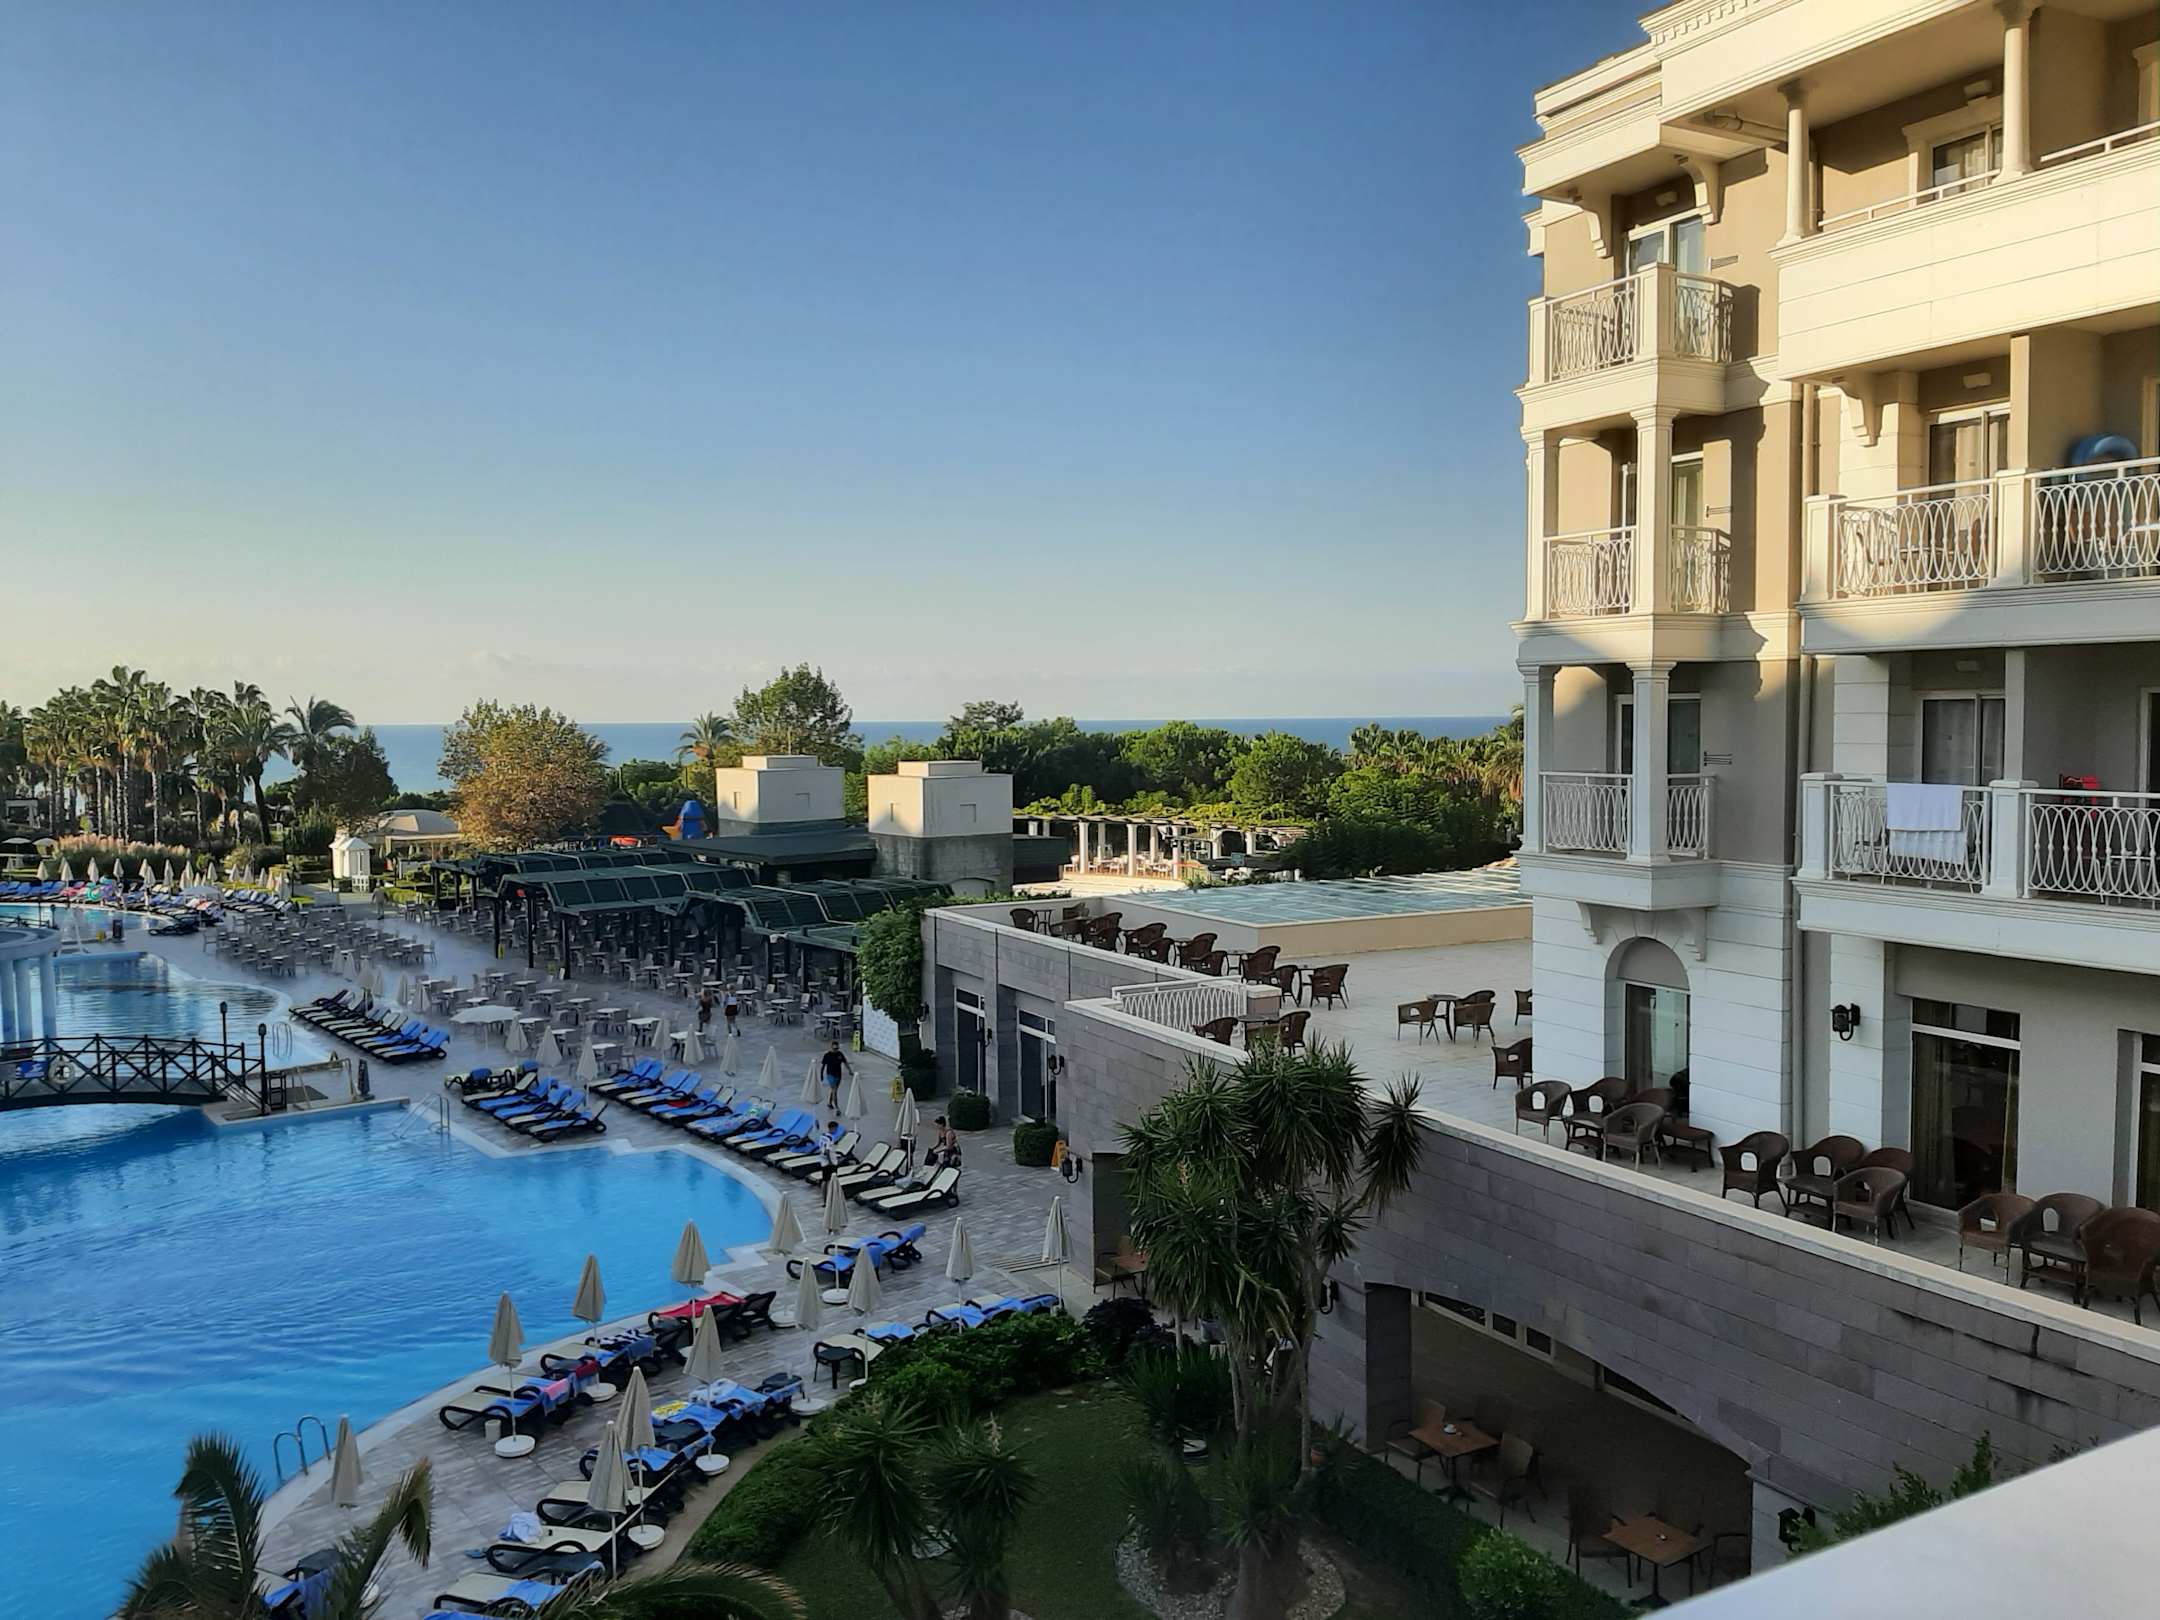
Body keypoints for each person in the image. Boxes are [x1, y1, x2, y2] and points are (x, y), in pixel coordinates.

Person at [820, 1042, 850, 1110]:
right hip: (830, 1075)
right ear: (831, 1047)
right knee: (834, 1091)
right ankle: (837, 1108)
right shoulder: (827, 1055)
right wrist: (821, 1074)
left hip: (838, 1075)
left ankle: (829, 1103)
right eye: (834, 1049)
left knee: (833, 1090)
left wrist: (850, 1070)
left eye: (837, 1049)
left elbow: (845, 1062)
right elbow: (823, 1065)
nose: (835, 1050)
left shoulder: (840, 1054)